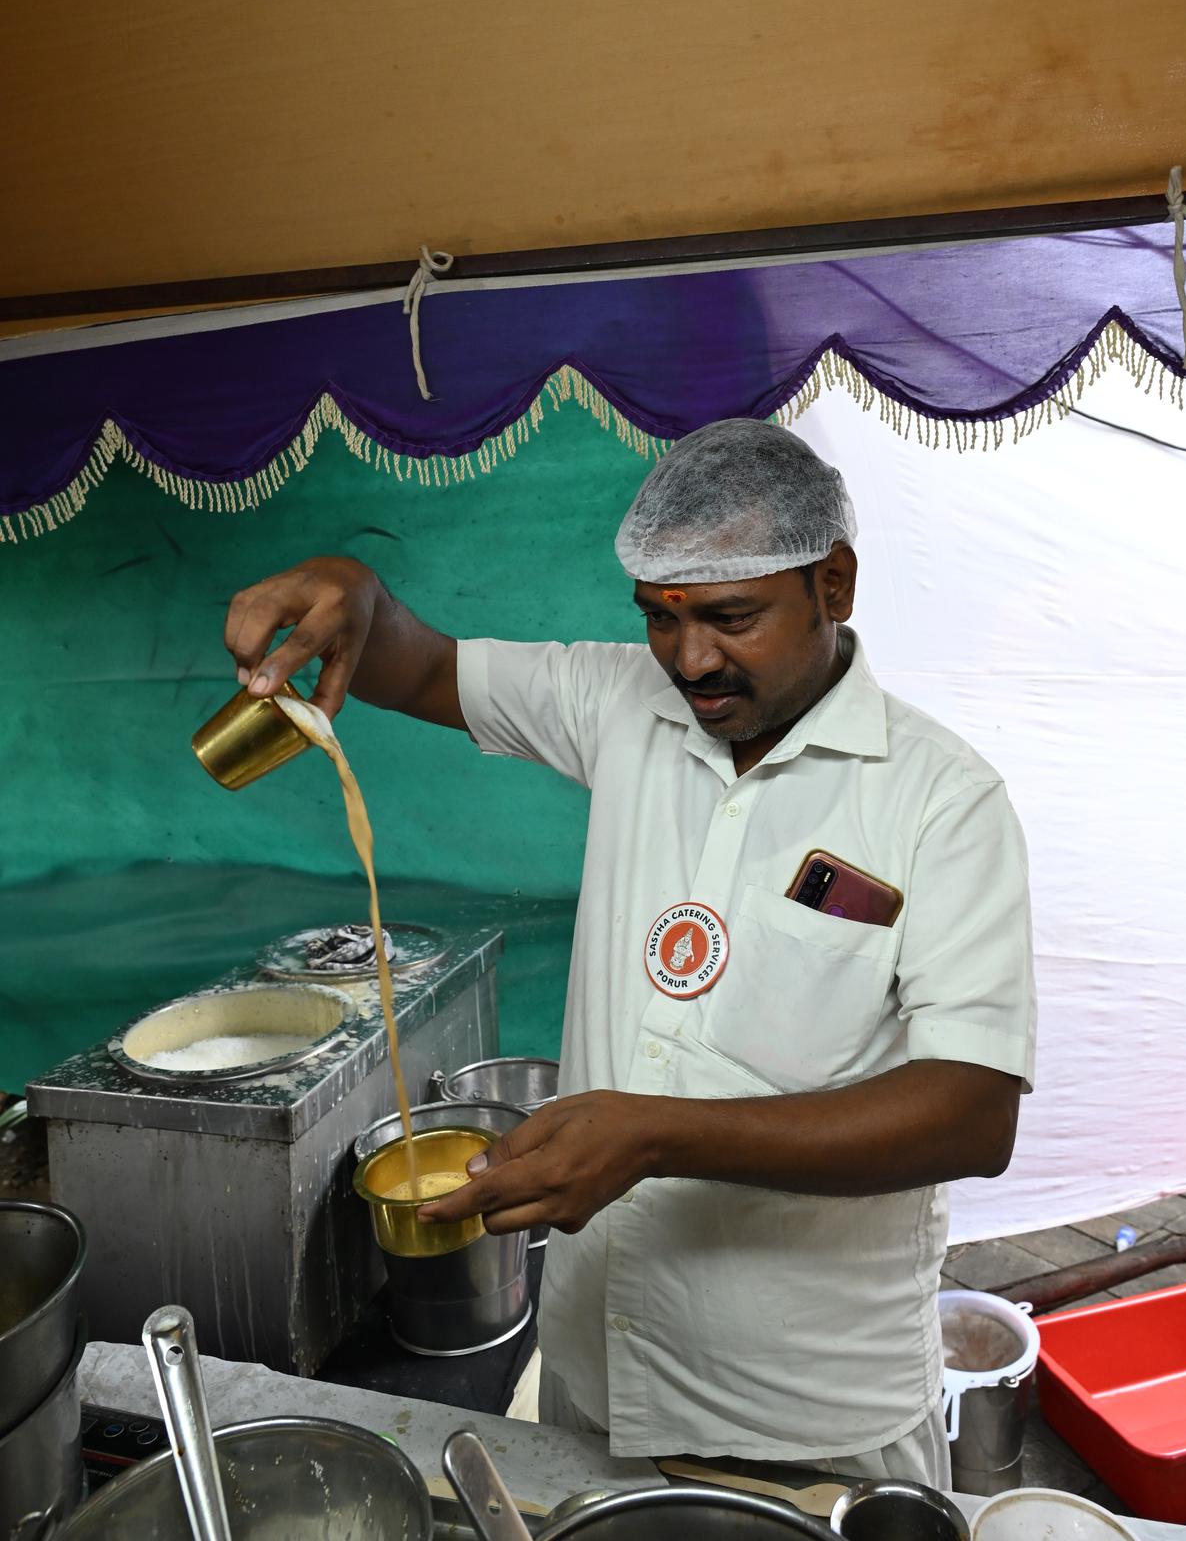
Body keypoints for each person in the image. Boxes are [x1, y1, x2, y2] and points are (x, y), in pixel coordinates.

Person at [223, 418, 1035, 1484]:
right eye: (661, 617)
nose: (690, 659)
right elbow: (414, 662)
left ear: (834, 584)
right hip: (595, 1384)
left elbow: (972, 1111)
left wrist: (653, 1137)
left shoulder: (942, 801)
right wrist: (349, 587)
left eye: (731, 617)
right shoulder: (623, 705)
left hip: (808, 1413)